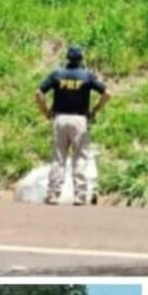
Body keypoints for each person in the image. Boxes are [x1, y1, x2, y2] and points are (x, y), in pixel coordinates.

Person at [35, 46, 111, 206]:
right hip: (79, 120)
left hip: (60, 119)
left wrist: (45, 111)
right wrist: (96, 109)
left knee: (59, 157)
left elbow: (38, 93)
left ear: (67, 58)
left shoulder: (57, 74)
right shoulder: (87, 76)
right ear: (81, 58)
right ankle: (80, 196)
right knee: (80, 157)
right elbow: (107, 93)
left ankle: (53, 195)